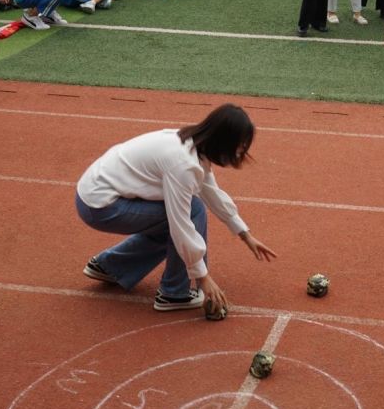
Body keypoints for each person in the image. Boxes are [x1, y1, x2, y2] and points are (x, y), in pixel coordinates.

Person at [76, 103, 276, 311]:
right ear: (223, 141)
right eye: (240, 145)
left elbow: (210, 191)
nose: (242, 151)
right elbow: (180, 224)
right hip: (100, 205)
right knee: (193, 210)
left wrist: (245, 234)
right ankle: (174, 293)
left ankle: (112, 267)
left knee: (182, 216)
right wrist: (203, 278)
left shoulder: (192, 144)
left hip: (95, 193)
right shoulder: (183, 165)